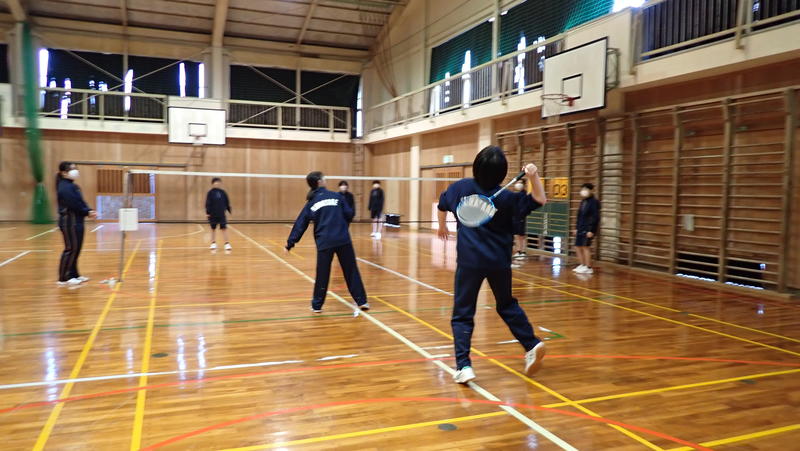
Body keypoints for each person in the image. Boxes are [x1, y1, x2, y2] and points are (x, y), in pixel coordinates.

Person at [437, 146, 548, 384]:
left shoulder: (460, 188)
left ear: (476, 166)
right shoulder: (507, 198)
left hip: (469, 263)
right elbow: (540, 199)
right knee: (506, 305)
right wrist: (533, 175)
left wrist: (442, 225)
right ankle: (531, 343)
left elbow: (442, 204)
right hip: (499, 262)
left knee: (462, 314)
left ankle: (464, 366)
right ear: (502, 172)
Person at [286, 171, 370, 313]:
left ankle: (317, 305)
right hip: (343, 239)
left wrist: (290, 243)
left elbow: (301, 223)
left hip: (324, 242)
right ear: (320, 182)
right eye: (324, 178)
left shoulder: (311, 203)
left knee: (322, 274)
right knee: (351, 271)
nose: (326, 180)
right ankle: (362, 301)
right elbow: (349, 214)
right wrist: (341, 223)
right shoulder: (337, 196)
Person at [56, 162, 96, 287]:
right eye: (72, 169)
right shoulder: (64, 187)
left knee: (76, 249)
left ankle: (74, 274)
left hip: (77, 221)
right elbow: (73, 204)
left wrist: (89, 210)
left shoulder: (73, 186)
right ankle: (63, 278)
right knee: (70, 249)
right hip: (69, 221)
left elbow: (80, 201)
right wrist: (86, 212)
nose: (75, 171)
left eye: (75, 168)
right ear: (64, 173)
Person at [573, 183, 600, 274]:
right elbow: (579, 216)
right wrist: (576, 228)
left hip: (588, 228)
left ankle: (588, 267)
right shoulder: (583, 201)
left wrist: (591, 230)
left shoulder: (594, 202)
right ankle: (582, 264)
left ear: (591, 190)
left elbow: (595, 217)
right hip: (581, 227)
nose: (583, 191)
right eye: (582, 189)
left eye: (586, 189)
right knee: (577, 246)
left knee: (585, 246)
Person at [206, 177, 232, 251]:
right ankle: (213, 243)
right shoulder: (210, 193)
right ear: (213, 183)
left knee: (224, 228)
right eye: (215, 182)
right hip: (213, 214)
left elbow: (227, 201)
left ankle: (227, 244)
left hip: (221, 214)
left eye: (218, 182)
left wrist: (229, 209)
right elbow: (208, 203)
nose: (217, 183)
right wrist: (208, 212)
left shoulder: (223, 192)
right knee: (213, 229)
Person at [512, 178, 528, 261]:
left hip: (521, 217)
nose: (518, 184)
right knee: (517, 235)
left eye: (521, 182)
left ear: (524, 184)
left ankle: (523, 252)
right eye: (518, 182)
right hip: (515, 217)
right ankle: (518, 251)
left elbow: (524, 207)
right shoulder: (517, 194)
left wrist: (521, 216)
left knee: (522, 236)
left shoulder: (524, 194)